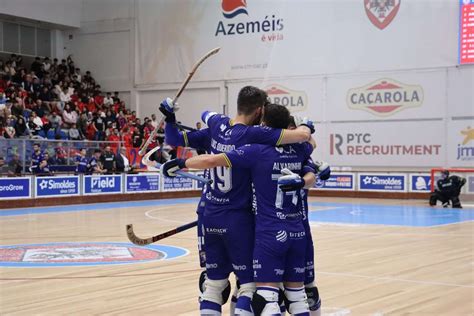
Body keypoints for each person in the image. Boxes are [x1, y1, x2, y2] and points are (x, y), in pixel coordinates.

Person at [160, 86, 314, 315]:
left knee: (213, 287)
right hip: (244, 220)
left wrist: (170, 117)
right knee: (252, 289)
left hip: (209, 214)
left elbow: (180, 134)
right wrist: (306, 125)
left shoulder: (216, 125)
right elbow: (305, 139)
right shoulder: (256, 137)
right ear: (260, 111)